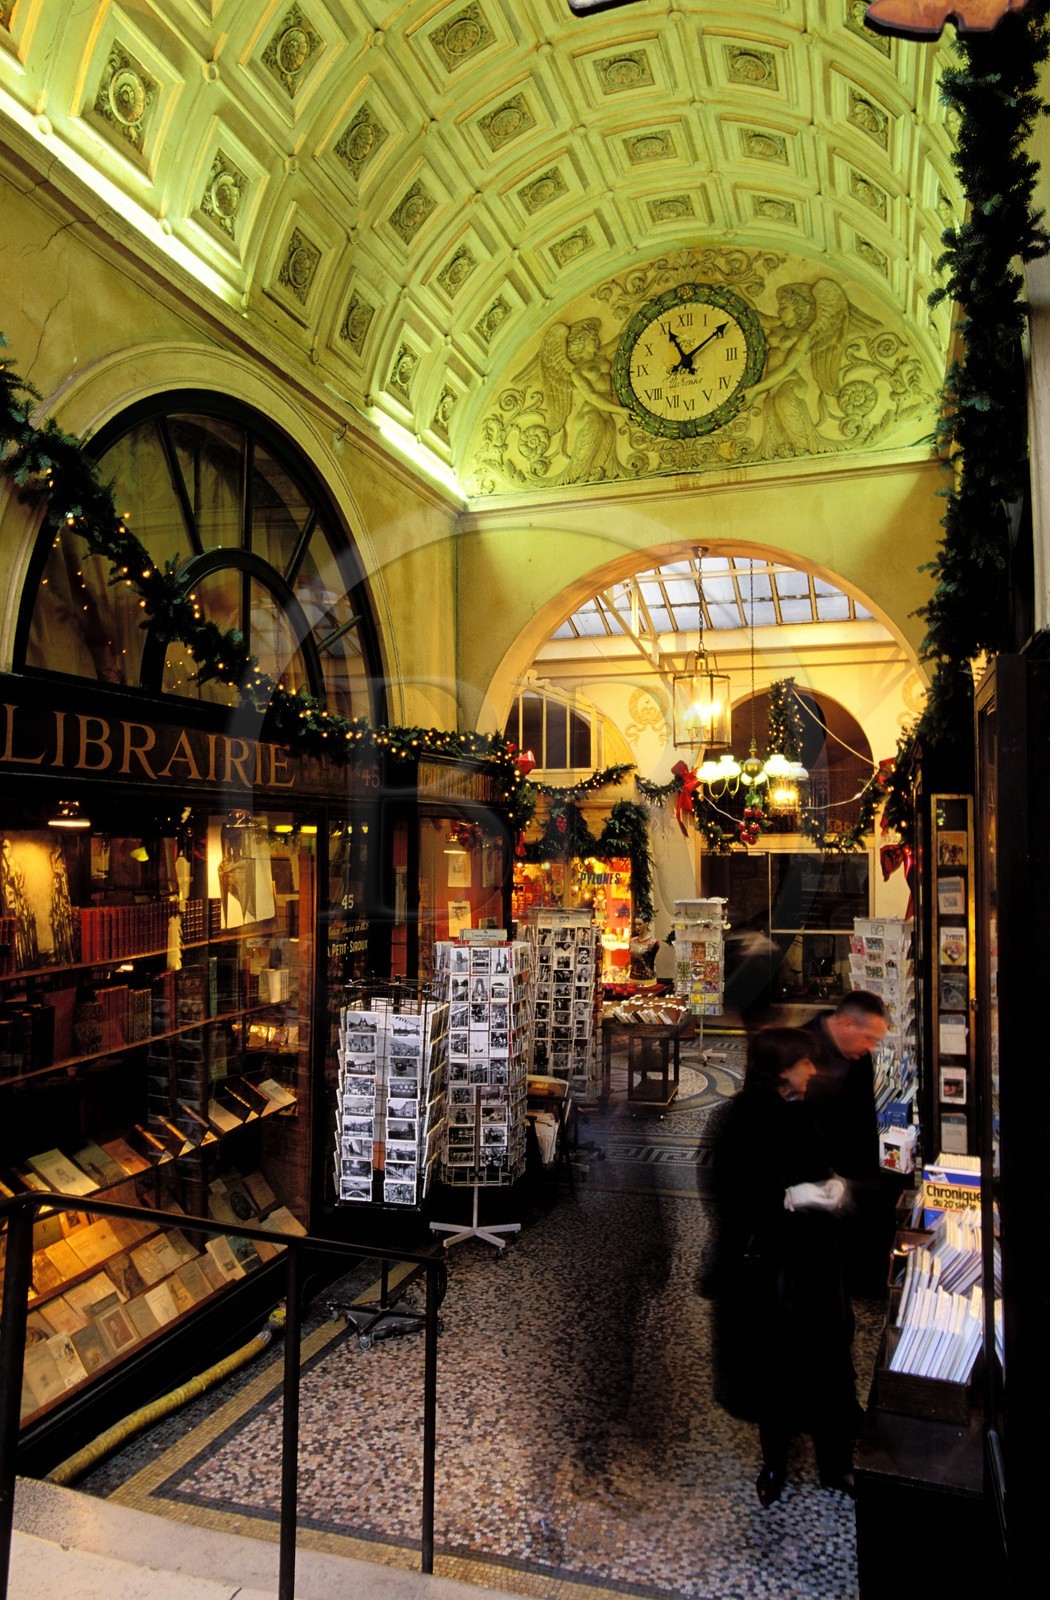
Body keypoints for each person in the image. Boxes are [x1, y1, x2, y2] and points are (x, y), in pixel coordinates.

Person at [708, 1027, 859, 1506]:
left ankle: (831, 1460)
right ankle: (779, 1462)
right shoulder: (742, 1120)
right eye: (804, 1062)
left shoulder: (807, 1109)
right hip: (773, 1272)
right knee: (778, 1370)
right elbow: (728, 1195)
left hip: (813, 1266)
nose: (813, 1069)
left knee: (820, 1366)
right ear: (780, 1069)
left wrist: (833, 1188)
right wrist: (787, 1198)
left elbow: (825, 1165)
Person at [800, 990, 893, 1296]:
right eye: (869, 1038)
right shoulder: (801, 1051)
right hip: (813, 1187)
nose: (871, 1047)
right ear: (847, 1024)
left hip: (851, 1178)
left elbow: (863, 1118)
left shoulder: (858, 1058)